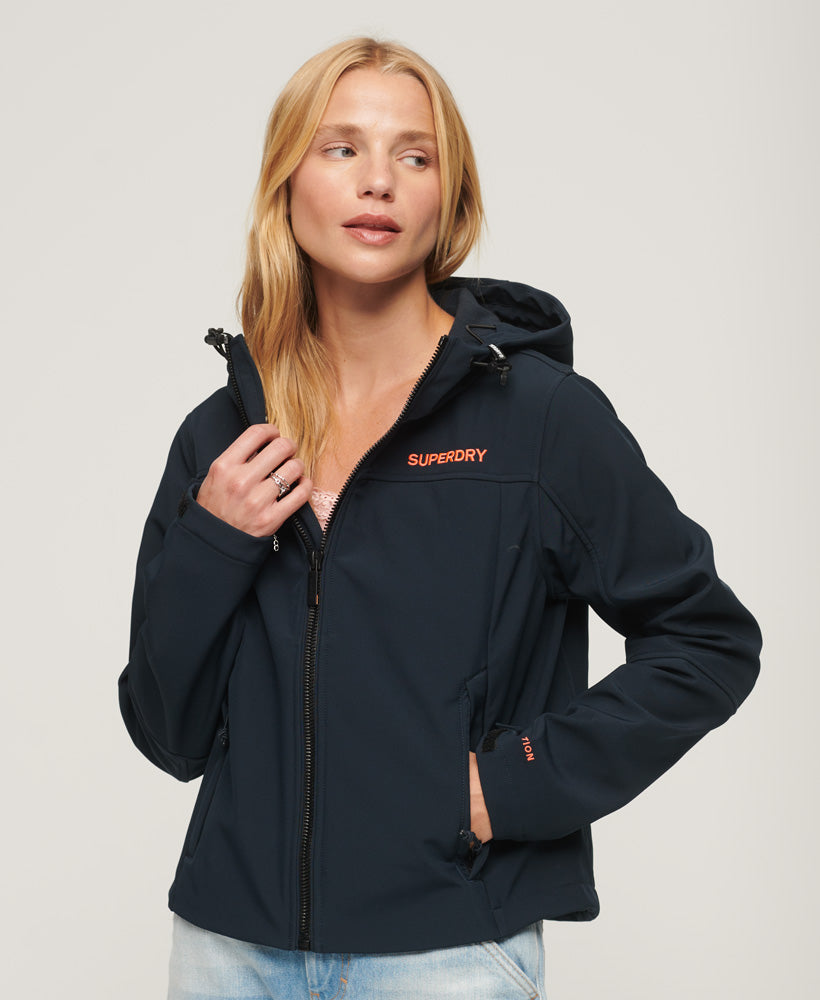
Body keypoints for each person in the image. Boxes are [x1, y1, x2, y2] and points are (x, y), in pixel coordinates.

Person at [118, 36, 762, 999]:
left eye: (413, 156)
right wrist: (215, 543)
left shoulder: (539, 421)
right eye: (341, 148)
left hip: (448, 957)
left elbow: (708, 640)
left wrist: (511, 784)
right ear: (286, 184)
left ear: (448, 200)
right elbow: (166, 735)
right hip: (228, 951)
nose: (377, 180)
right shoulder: (222, 436)